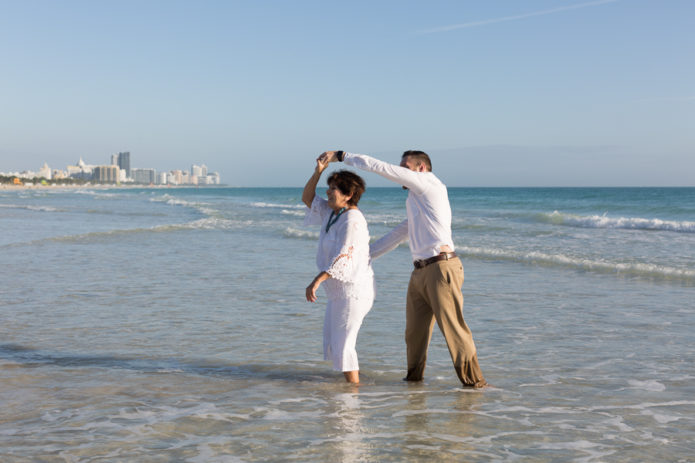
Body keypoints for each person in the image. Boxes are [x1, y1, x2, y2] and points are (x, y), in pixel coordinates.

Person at [320, 150, 487, 388]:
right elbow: (401, 232)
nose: (400, 171)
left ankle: (475, 385)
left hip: (441, 267)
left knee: (454, 328)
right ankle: (414, 385)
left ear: (421, 168)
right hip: (420, 271)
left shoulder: (429, 184)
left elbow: (381, 168)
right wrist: (363, 256)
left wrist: (342, 155)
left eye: (405, 166)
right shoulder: (417, 200)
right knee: (414, 334)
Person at [302, 156, 374, 384]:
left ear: (348, 195)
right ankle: (354, 387)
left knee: (344, 345)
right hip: (337, 292)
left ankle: (353, 395)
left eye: (334, 189)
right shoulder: (333, 212)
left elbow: (345, 254)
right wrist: (318, 172)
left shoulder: (352, 219)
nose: (329, 192)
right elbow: (307, 198)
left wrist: (318, 279)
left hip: (353, 291)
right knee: (336, 343)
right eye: (329, 187)